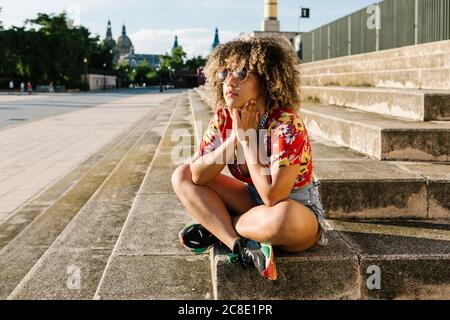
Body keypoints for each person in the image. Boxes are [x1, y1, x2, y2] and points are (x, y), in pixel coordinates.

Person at [171, 35, 328, 281]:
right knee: (182, 174)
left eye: (242, 73)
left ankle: (218, 227)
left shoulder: (286, 125)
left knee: (281, 218)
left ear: (265, 81)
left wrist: (248, 141)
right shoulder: (224, 118)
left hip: (296, 210)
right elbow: (198, 176)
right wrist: (235, 137)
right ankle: (238, 245)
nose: (229, 81)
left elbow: (273, 196)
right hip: (253, 201)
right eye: (225, 73)